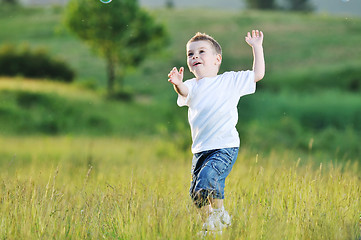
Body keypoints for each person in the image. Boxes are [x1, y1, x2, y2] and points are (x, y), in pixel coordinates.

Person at [168, 30, 265, 233]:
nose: (195, 56)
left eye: (201, 51)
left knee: (207, 179)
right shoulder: (190, 86)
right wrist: (177, 84)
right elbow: (184, 93)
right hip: (200, 150)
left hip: (225, 146)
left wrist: (257, 47)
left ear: (217, 59)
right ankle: (211, 223)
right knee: (197, 193)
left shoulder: (229, 81)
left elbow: (258, 74)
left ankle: (217, 216)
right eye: (190, 54)